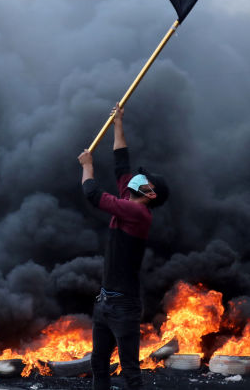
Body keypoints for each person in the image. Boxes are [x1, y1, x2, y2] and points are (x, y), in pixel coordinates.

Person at [77, 104, 169, 390]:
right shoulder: (131, 198)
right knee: (98, 363)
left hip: (123, 307)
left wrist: (87, 166)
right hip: (105, 302)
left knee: (130, 371)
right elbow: (121, 163)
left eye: (145, 180)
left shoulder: (139, 213)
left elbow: (93, 194)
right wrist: (118, 123)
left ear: (150, 194)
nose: (138, 179)